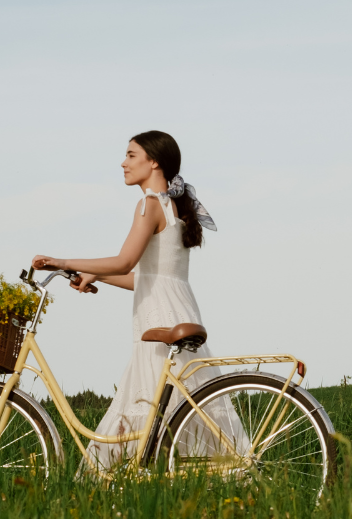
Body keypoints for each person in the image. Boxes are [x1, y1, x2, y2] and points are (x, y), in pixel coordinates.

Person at [32, 130, 247, 469]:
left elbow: (124, 262)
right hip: (178, 307)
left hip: (158, 314)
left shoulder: (149, 204)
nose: (123, 163)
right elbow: (149, 278)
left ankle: (124, 475)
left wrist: (63, 261)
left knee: (149, 397)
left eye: (131, 155)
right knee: (181, 398)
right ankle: (203, 469)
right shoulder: (174, 207)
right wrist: (95, 275)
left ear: (154, 161)